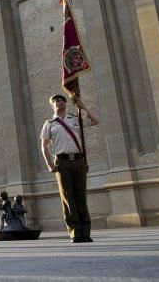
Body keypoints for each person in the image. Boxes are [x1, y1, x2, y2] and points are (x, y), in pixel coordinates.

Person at [40, 93, 100, 243]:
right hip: (62, 162)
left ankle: (85, 232)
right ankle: (75, 232)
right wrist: (49, 164)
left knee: (81, 196)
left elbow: (95, 121)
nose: (60, 102)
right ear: (52, 105)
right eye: (56, 101)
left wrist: (82, 106)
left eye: (62, 100)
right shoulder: (50, 123)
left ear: (65, 103)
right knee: (68, 198)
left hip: (78, 161)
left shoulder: (75, 118)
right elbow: (45, 145)